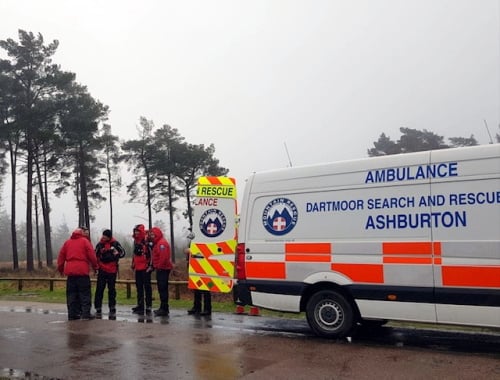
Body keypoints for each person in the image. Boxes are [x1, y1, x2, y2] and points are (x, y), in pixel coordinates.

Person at [57, 227, 98, 320]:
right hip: (82, 271)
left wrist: (60, 269)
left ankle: (72, 314)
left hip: (70, 272)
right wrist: (95, 267)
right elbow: (92, 255)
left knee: (71, 294)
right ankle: (86, 314)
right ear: (82, 233)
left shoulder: (67, 243)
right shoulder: (85, 242)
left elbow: (61, 257)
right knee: (85, 294)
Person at [94, 229, 126, 317]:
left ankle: (112, 306)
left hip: (112, 270)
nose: (104, 237)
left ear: (109, 236)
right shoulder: (99, 244)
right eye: (103, 235)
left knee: (111, 289)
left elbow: (123, 253)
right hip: (102, 270)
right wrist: (96, 267)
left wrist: (116, 254)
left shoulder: (115, 243)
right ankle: (98, 307)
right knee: (100, 289)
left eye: (106, 236)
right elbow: (94, 256)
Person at [149, 227, 173, 317]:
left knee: (163, 289)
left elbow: (164, 257)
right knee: (161, 289)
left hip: (163, 269)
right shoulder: (158, 243)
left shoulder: (161, 244)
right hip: (160, 268)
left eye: (153, 234)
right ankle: (162, 307)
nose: (151, 236)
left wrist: (158, 267)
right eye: (151, 234)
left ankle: (164, 308)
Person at [131, 224, 153, 315]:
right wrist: (133, 264)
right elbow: (135, 254)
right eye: (135, 231)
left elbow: (152, 254)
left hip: (145, 268)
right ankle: (140, 305)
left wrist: (151, 266)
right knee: (139, 287)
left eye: (137, 231)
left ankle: (148, 306)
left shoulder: (146, 241)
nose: (136, 233)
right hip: (138, 267)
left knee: (147, 287)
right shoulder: (136, 241)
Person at [185, 247, 212, 316]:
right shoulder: (193, 240)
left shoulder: (204, 241)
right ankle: (197, 307)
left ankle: (207, 308)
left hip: (205, 268)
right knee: (196, 288)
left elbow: (202, 252)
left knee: (206, 289)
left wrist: (191, 250)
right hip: (195, 268)